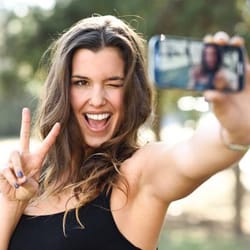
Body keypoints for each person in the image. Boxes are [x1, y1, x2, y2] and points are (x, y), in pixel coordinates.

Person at [0, 15, 250, 250]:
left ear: (131, 92)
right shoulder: (30, 183)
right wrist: (11, 203)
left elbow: (190, 155)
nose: (97, 99)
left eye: (113, 83)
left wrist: (235, 131)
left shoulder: (137, 174)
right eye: (81, 82)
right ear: (62, 90)